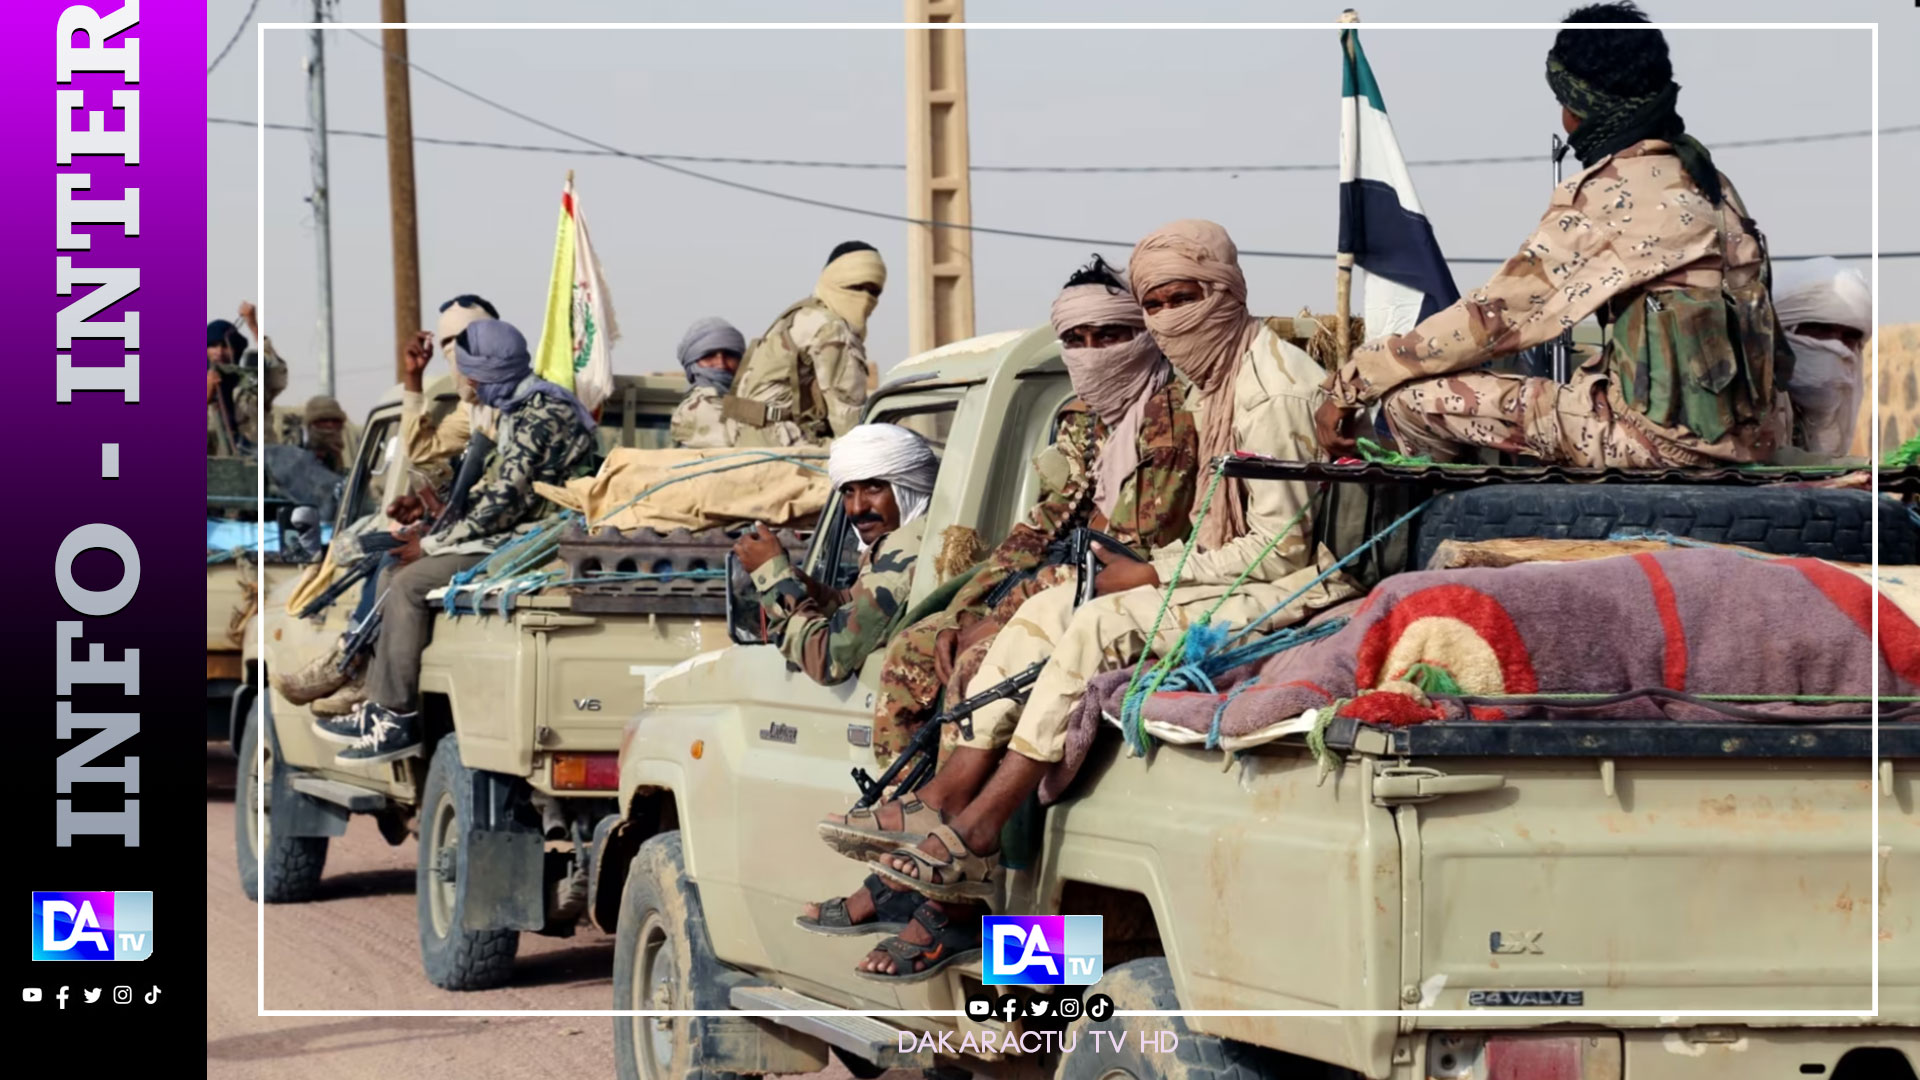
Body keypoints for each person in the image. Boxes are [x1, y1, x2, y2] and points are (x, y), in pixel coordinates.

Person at [837, 221, 1356, 979]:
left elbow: (1274, 549)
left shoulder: (1237, 398)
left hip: (1278, 581)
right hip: (1207, 570)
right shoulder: (1182, 393)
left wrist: (1143, 576)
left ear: (1225, 292)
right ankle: (944, 807)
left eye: (1180, 300)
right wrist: (985, 609)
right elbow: (1038, 533)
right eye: (1155, 304)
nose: (1167, 321)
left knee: (1077, 626)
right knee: (1016, 625)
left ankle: (973, 859)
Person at [1313, 0, 1792, 469]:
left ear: (1580, 108)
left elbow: (1493, 320)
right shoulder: (1713, 185)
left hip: (1662, 444)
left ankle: (1446, 516)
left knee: (1412, 400)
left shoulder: (1613, 193)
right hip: (1759, 438)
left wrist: (1353, 383)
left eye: (1563, 102)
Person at [858, 255, 1201, 788]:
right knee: (915, 647)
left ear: (1142, 336)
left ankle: (957, 818)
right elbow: (1035, 535)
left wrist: (998, 620)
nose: (1092, 354)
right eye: (1077, 339)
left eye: (1109, 336)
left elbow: (1121, 559)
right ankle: (901, 797)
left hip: (1123, 599)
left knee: (979, 665)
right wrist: (963, 613)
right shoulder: (1088, 419)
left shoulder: (1169, 424)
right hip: (1057, 585)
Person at [317, 319, 602, 765]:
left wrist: (432, 546)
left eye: (470, 374)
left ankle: (397, 717)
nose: (466, 382)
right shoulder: (518, 407)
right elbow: (493, 488)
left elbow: (504, 503)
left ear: (487, 373)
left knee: (409, 582)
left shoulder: (540, 413)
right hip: (515, 531)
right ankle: (380, 705)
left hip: (539, 539)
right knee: (392, 571)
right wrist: (434, 512)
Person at [733, 423, 937, 686]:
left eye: (874, 487)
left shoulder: (906, 554)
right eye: (848, 491)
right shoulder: (920, 536)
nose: (857, 507)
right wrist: (801, 586)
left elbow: (828, 660)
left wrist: (773, 577)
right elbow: (857, 606)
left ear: (909, 488)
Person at [724, 242, 886, 447]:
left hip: (748, 440)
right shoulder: (831, 328)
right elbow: (849, 422)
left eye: (874, 291)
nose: (865, 298)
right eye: (855, 287)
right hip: (783, 443)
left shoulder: (799, 315)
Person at [1771, 257, 1871, 457]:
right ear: (1783, 333)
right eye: (1820, 330)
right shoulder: (1748, 413)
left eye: (1849, 337)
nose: (1836, 347)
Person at [207, 300, 288, 455]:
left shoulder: (250, 382)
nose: (219, 352)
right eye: (213, 346)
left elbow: (277, 375)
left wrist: (253, 325)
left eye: (225, 346)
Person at [669, 316, 748, 448]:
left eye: (729, 355)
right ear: (693, 363)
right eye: (709, 356)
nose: (721, 364)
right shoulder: (699, 407)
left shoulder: (749, 401)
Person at [283, 395, 352, 472]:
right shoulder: (293, 448)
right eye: (324, 420)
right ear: (310, 425)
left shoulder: (336, 453)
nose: (330, 425)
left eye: (335, 421)